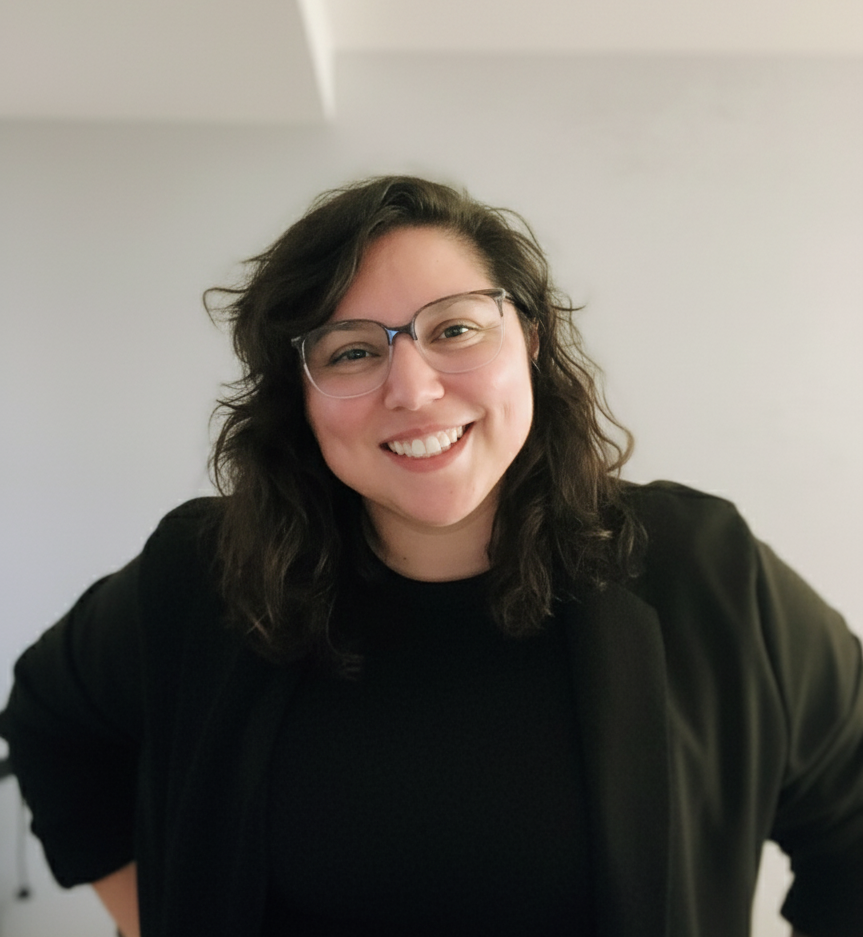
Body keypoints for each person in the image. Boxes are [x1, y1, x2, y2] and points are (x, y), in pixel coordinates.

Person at [1, 175, 861, 937]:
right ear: (299, 398)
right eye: (352, 351)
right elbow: (50, 718)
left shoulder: (702, 567)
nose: (411, 388)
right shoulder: (202, 571)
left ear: (526, 339)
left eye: (453, 328)